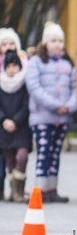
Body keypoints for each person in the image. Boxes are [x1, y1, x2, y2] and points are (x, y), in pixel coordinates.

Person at [26, 22, 76, 203]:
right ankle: (40, 190)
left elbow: (75, 89)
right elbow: (34, 88)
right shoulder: (36, 62)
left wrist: (69, 106)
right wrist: (55, 105)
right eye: (53, 40)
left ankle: (52, 188)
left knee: (55, 153)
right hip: (42, 116)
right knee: (43, 151)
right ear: (45, 42)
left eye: (60, 41)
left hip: (62, 118)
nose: (57, 44)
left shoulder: (67, 64)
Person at [0, 50, 30, 202]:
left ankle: (18, 190)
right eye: (9, 66)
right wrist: (4, 119)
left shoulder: (24, 83)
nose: (12, 69)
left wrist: (15, 121)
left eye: (15, 65)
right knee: (10, 161)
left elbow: (26, 105)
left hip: (21, 128)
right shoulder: (1, 83)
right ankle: (15, 193)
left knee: (22, 157)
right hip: (4, 129)